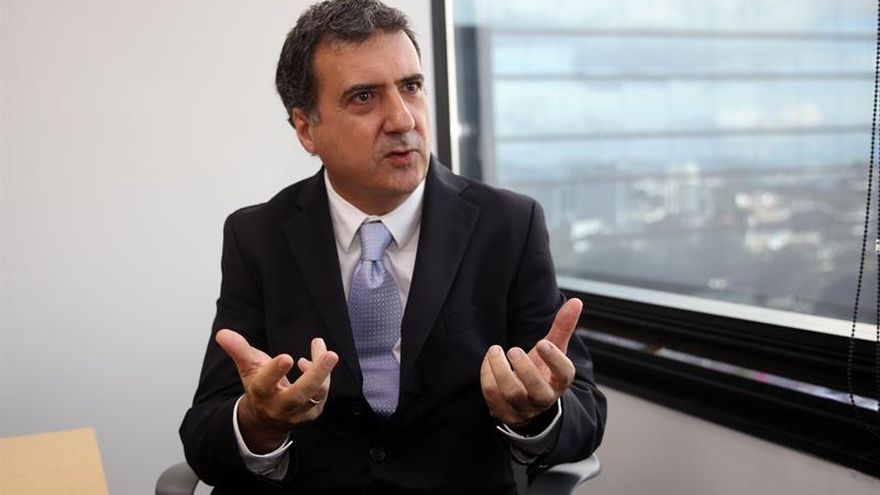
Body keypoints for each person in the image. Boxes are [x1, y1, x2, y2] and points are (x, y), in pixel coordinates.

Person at [179, 1, 606, 493]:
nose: (403, 120)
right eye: (364, 97)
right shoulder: (257, 236)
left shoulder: (509, 225)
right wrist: (259, 422)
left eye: (411, 87)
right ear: (306, 129)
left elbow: (585, 412)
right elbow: (204, 430)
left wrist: (537, 415)